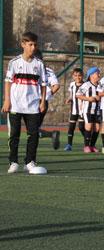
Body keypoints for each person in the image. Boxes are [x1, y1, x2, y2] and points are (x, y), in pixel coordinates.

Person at [4, 32, 48, 174]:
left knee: (33, 135)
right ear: (23, 44)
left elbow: (43, 84)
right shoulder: (14, 62)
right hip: (16, 105)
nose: (33, 47)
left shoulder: (39, 64)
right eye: (30, 44)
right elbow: (8, 83)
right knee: (14, 135)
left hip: (33, 106)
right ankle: (13, 162)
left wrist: (42, 102)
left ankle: (29, 162)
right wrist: (7, 101)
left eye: (35, 44)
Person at [35, 51, 61, 150]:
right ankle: (51, 134)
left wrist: (44, 96)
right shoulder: (48, 70)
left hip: (38, 102)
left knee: (32, 129)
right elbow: (56, 86)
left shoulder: (45, 71)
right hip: (41, 102)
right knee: (33, 129)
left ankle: (31, 155)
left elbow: (56, 86)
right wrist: (46, 97)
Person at [77, 67, 101, 153]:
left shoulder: (100, 85)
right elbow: (78, 95)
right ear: (91, 75)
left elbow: (102, 94)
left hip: (97, 110)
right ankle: (86, 146)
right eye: (97, 73)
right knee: (89, 126)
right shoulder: (86, 85)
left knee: (97, 128)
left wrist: (100, 97)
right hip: (88, 109)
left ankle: (92, 146)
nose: (99, 75)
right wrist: (88, 99)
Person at [64, 68, 85, 152]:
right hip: (74, 110)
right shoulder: (72, 84)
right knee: (71, 127)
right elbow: (71, 94)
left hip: (82, 110)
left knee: (81, 127)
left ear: (82, 76)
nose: (77, 77)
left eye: (79, 75)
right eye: (75, 75)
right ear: (73, 76)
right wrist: (69, 99)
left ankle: (87, 142)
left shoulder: (85, 85)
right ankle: (69, 144)